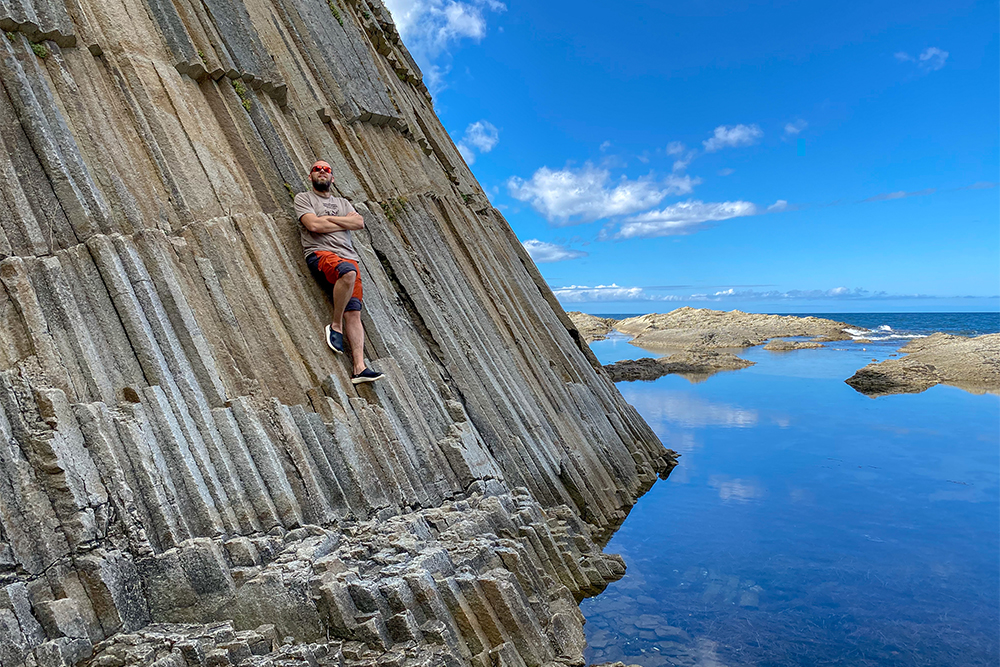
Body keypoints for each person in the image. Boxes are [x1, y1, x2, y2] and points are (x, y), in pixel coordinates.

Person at [294, 160, 384, 384]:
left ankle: (359, 368)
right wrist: (343, 222)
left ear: (332, 178)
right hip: (321, 253)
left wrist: (328, 219)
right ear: (310, 176)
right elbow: (313, 226)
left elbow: (359, 222)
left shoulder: (342, 202)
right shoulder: (304, 199)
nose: (322, 171)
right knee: (348, 273)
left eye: (326, 170)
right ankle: (335, 325)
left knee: (354, 312)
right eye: (317, 169)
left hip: (349, 256)